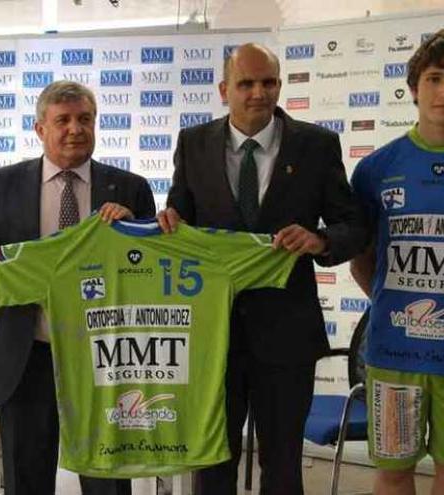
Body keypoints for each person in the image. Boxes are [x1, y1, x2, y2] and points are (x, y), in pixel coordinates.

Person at [156, 43, 366, 495]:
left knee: (284, 466)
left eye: (268, 82)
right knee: (211, 464)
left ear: (279, 84)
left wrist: (321, 240)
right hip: (212, 337)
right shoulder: (193, 144)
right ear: (223, 90)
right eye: (246, 83)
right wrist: (169, 218)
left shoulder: (316, 145)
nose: (258, 93)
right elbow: (180, 213)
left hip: (288, 336)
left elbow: (354, 224)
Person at [0, 80, 153, 494]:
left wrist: (133, 231)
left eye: (85, 119)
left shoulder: (130, 189)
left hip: (104, 361)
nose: (75, 129)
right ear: (39, 129)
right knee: (25, 478)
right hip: (27, 354)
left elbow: (147, 278)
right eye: (63, 120)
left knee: (108, 483)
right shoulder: (1, 184)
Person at [350, 29, 444, 495]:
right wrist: (396, 307)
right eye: (435, 78)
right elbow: (361, 258)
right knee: (393, 473)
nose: (443, 92)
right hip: (395, 354)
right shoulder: (377, 168)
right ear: (414, 88)